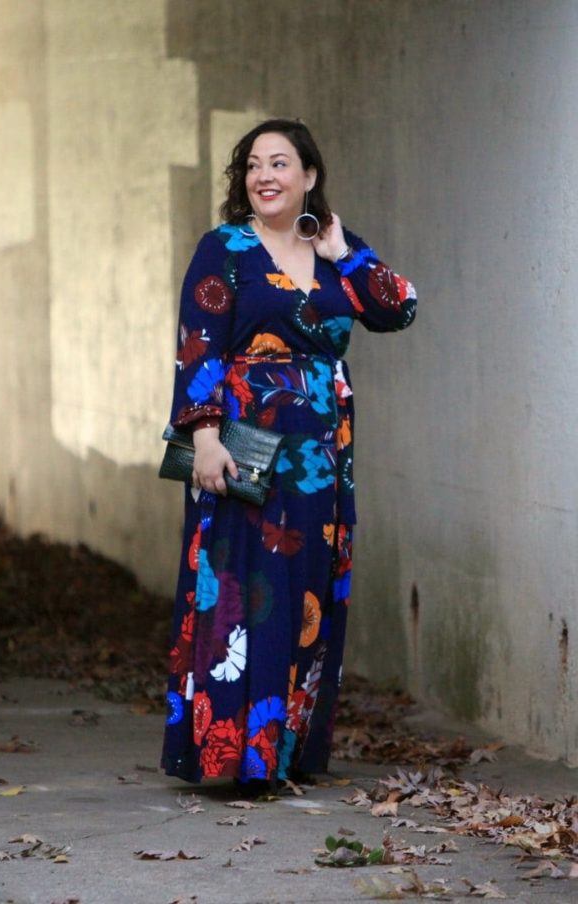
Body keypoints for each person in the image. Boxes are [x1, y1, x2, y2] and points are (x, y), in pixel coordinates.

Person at [161, 118, 416, 788]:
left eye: (279, 163)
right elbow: (199, 343)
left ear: (308, 175)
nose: (264, 176)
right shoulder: (225, 248)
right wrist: (206, 437)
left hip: (322, 461)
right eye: (252, 165)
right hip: (244, 448)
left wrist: (344, 253)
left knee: (305, 597)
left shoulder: (335, 247)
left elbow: (399, 309)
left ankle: (282, 752)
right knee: (245, 594)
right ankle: (227, 753)